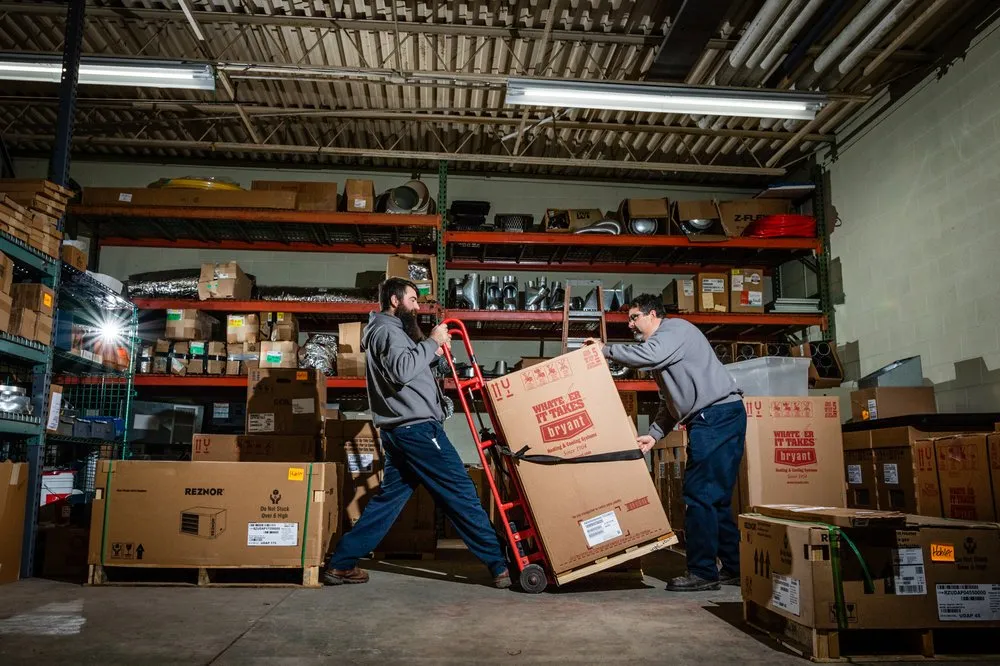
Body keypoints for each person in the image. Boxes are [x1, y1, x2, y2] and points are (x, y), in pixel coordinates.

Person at [323, 277, 511, 589]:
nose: (417, 306)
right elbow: (402, 370)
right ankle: (500, 564)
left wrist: (434, 354)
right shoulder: (387, 330)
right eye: (412, 299)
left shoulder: (393, 331)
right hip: (417, 430)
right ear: (394, 301)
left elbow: (411, 367)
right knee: (460, 491)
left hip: (401, 431)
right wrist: (432, 341)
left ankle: (341, 564)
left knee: (388, 501)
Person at [585, 293, 745, 592]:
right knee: (715, 498)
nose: (630, 325)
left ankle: (703, 573)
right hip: (715, 417)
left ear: (653, 315)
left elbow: (650, 355)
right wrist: (655, 434)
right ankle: (734, 568)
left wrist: (605, 350)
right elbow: (670, 403)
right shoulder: (663, 350)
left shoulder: (675, 330)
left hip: (716, 416)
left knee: (699, 494)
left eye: (634, 318)